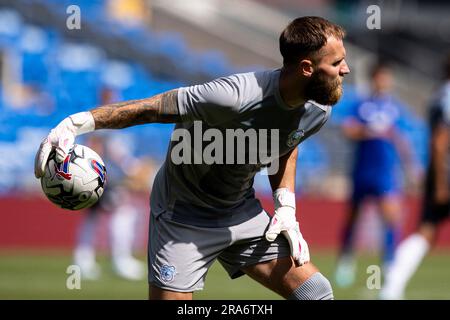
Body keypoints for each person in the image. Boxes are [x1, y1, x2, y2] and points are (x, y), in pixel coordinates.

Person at [34, 16, 350, 300]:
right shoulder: (232, 96)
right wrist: (76, 123)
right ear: (307, 68)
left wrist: (285, 205)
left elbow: (288, 142)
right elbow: (152, 107)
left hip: (242, 213)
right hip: (183, 216)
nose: (346, 70)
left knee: (316, 293)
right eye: (337, 63)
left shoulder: (318, 109)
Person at [334, 63, 417, 288]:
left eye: (387, 78)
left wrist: (411, 167)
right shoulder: (362, 105)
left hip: (385, 172)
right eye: (382, 77)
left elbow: (402, 139)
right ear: (374, 79)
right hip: (362, 170)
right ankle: (346, 260)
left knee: (390, 217)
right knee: (353, 217)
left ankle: (390, 263)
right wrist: (368, 130)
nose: (385, 82)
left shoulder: (395, 107)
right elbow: (347, 129)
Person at [380, 54, 450, 300]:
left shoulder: (439, 93)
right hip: (446, 173)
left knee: (426, 232)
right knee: (426, 232)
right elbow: (440, 142)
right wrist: (441, 183)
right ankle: (392, 283)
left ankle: (392, 283)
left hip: (438, 172)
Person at [73, 133, 148, 281]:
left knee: (93, 218)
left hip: (94, 178)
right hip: (96, 179)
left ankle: (84, 259)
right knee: (121, 212)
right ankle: (119, 259)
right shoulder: (102, 129)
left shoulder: (106, 128)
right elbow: (98, 150)